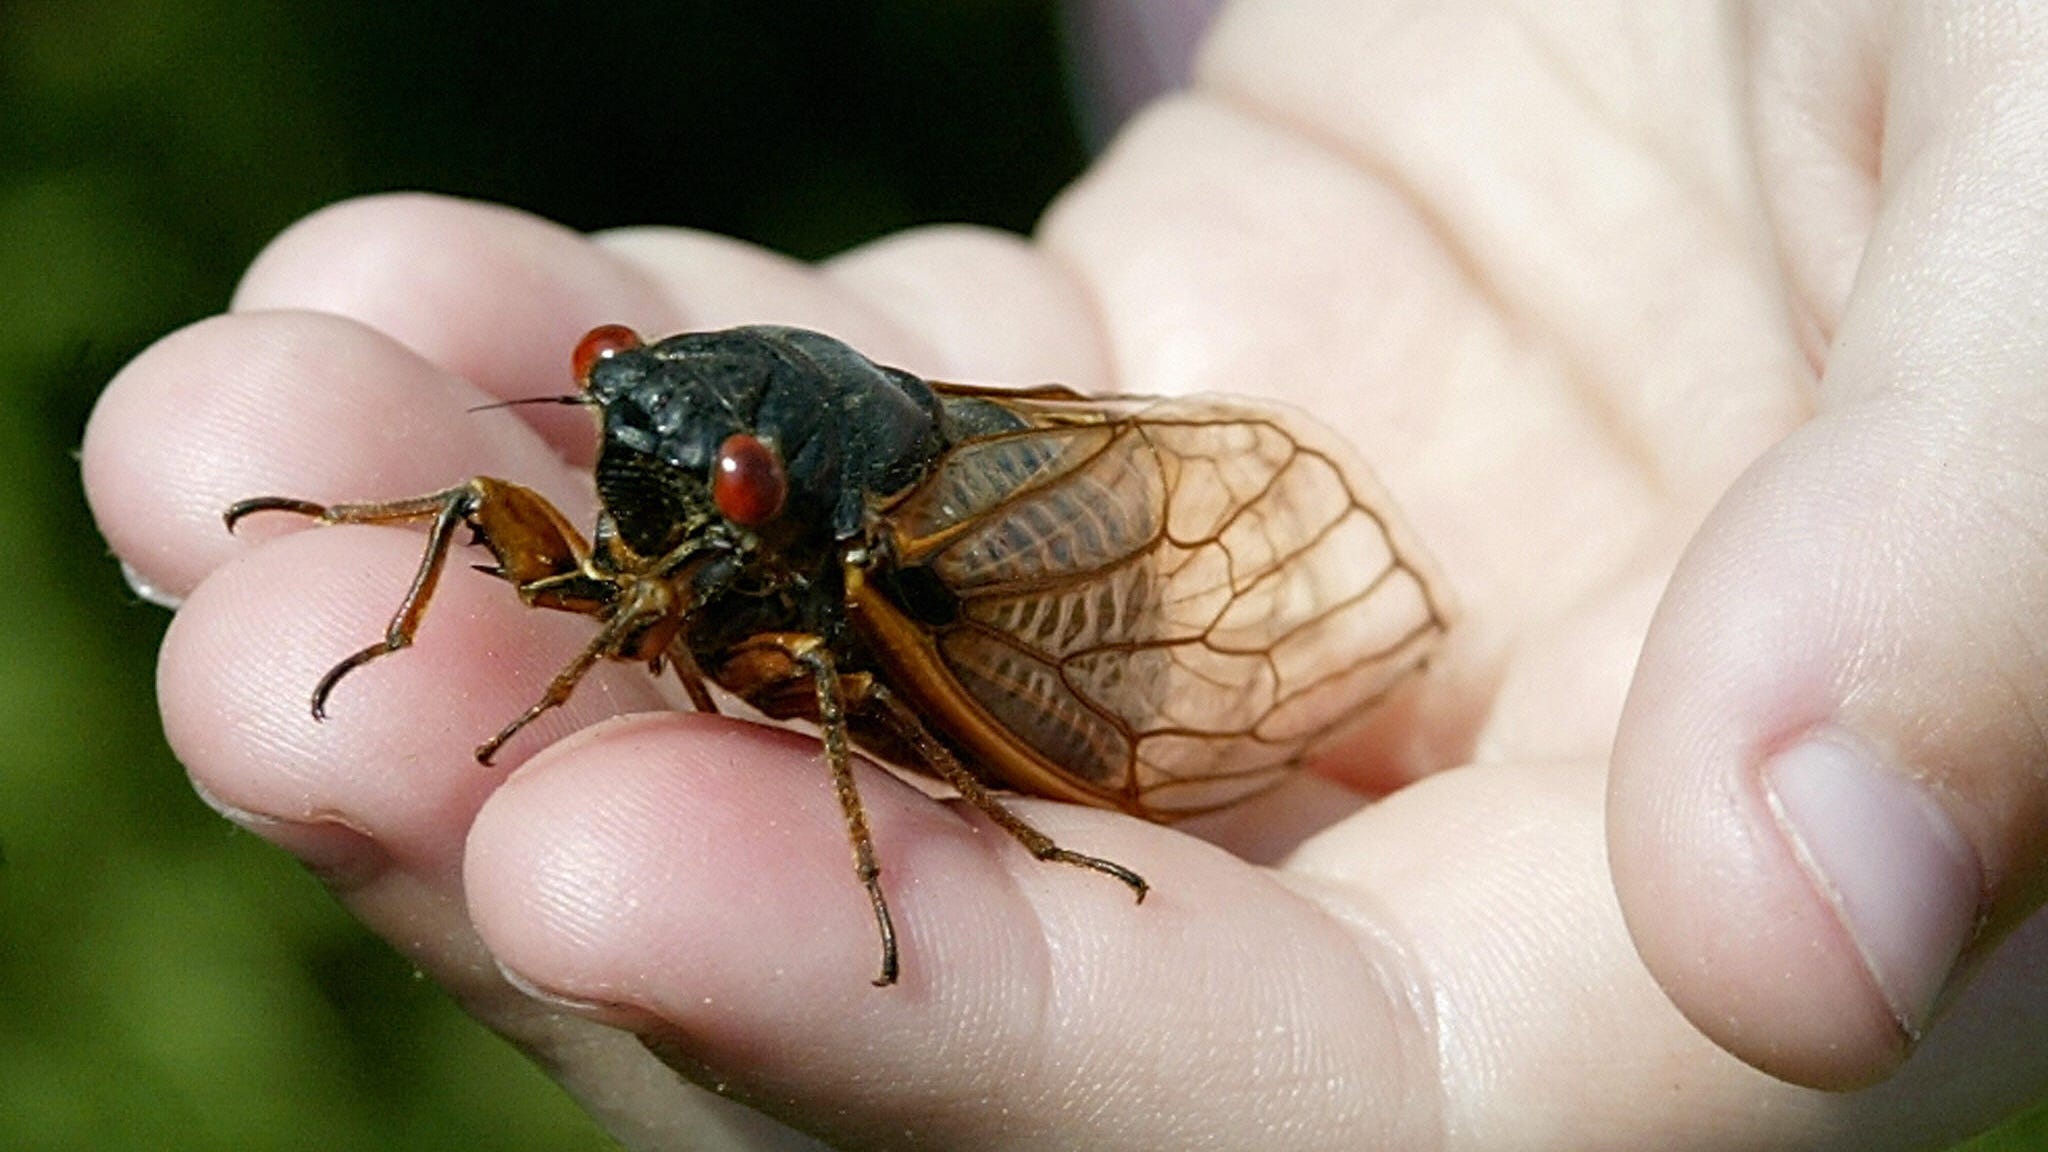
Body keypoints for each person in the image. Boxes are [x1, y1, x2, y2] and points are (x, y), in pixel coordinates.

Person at [80, 2, 2048, 1147]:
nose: (627, 456)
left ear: (767, 491)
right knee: (449, 500)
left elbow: (820, 667)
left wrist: (951, 830)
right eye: (605, 392)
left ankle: (977, 830)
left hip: (957, 567)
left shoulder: (814, 544)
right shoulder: (659, 467)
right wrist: (425, 573)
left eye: (719, 478)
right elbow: (589, 535)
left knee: (845, 674)